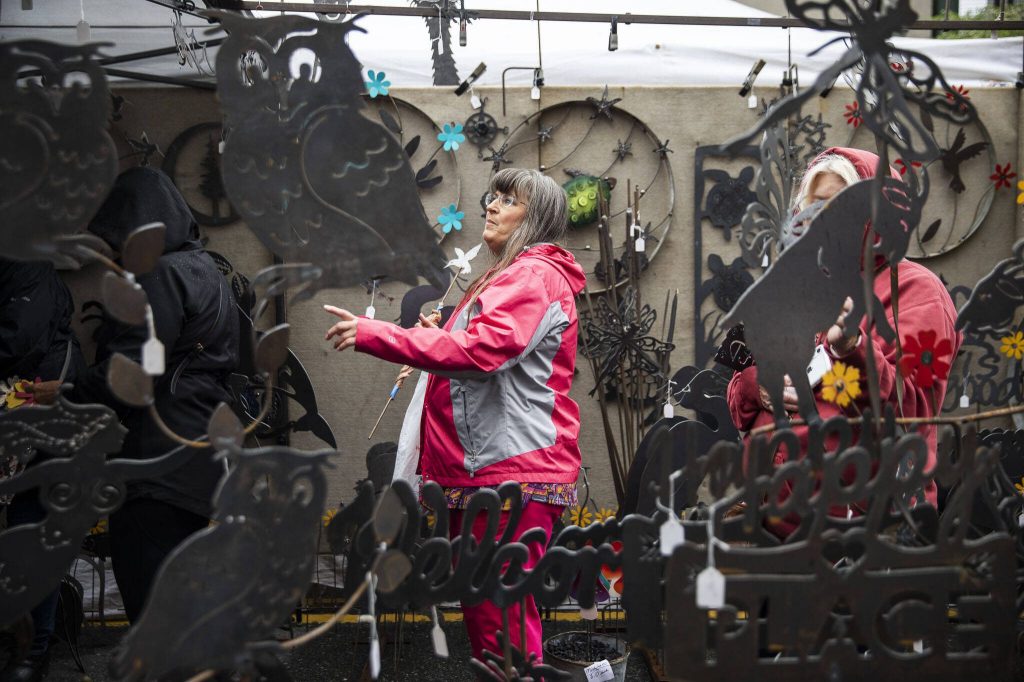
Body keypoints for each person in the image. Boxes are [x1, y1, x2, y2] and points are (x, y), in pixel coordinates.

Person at [324, 168, 585, 662]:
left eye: (509, 201)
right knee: (492, 609)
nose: (492, 206)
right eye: (494, 196)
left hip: (510, 472)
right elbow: (487, 342)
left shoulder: (531, 275)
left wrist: (379, 335)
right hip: (494, 471)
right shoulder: (515, 275)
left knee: (499, 615)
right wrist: (445, 326)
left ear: (538, 219)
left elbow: (482, 351)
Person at [726, 147, 962, 537]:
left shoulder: (917, 291)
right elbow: (739, 393)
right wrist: (754, 384)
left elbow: (914, 406)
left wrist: (853, 347)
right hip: (775, 521)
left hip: (865, 531)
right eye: (816, 205)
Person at [70, 167, 239, 623]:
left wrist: (66, 390)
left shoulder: (160, 275)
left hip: (159, 462)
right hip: (200, 455)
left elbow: (137, 371)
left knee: (155, 612)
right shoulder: (206, 269)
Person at [0, 260, 85, 682]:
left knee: (34, 531)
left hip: (43, 421)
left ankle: (31, 652)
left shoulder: (29, 271)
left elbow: (18, 343)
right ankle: (28, 649)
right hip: (31, 423)